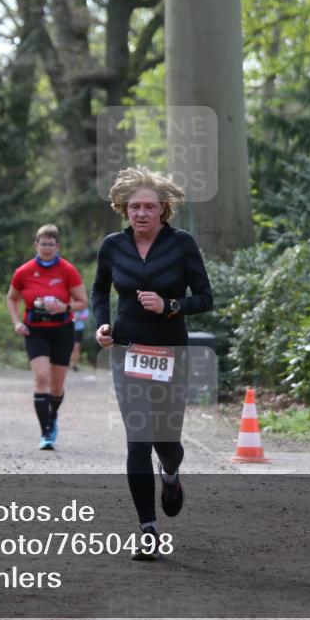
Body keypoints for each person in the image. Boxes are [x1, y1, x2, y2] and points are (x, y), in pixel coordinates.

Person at [92, 166, 212, 561]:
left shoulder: (182, 244)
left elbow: (205, 298)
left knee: (167, 442)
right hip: (127, 350)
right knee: (138, 440)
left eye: (148, 207)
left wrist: (170, 305)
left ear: (163, 209)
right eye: (133, 207)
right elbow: (99, 290)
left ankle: (172, 474)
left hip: (170, 353)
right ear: (123, 209)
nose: (140, 213)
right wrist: (102, 324)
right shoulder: (112, 246)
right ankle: (147, 530)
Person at [7, 224, 88, 450]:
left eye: (51, 244)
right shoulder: (23, 271)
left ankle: (52, 417)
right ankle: (45, 433)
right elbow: (11, 299)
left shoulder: (67, 270)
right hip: (35, 331)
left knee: (57, 385)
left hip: (62, 331)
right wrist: (16, 323)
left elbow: (82, 302)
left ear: (57, 246)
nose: (47, 248)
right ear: (36, 245)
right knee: (41, 377)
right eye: (43, 243)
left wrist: (64, 306)